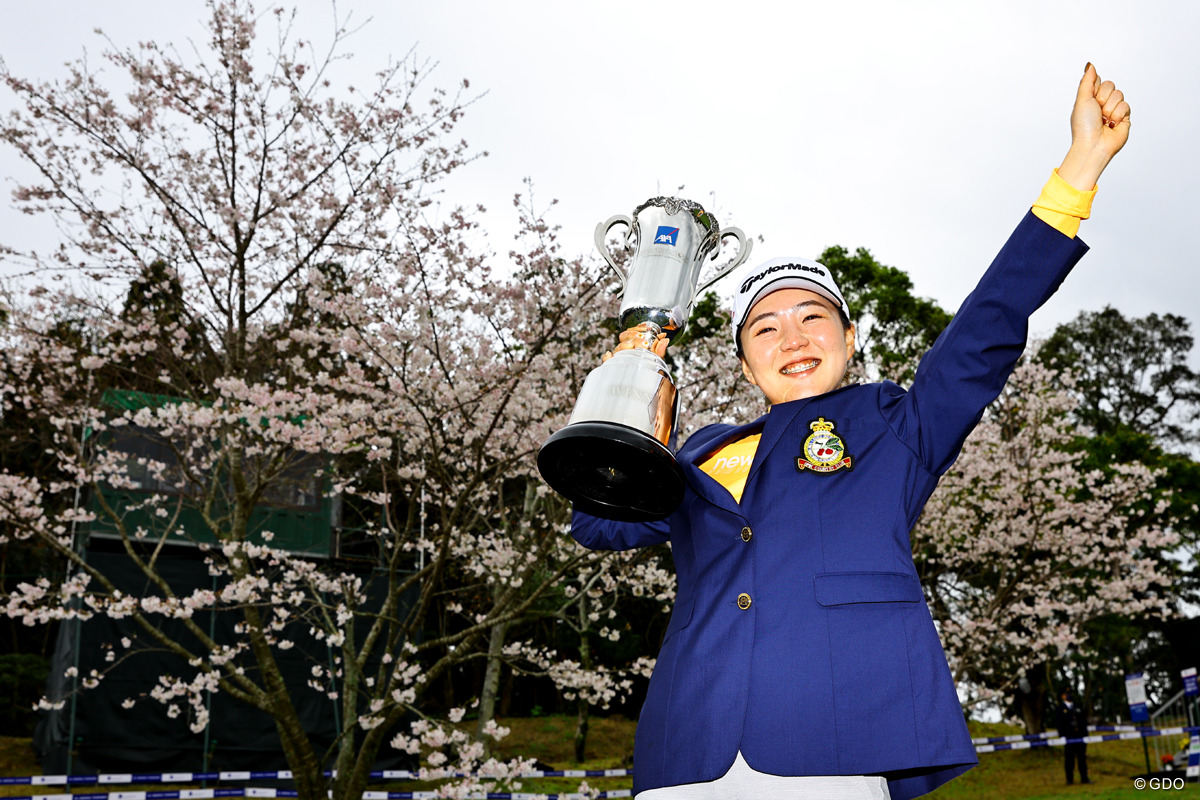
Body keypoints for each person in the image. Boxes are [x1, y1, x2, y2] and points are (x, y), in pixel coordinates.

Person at [570, 63, 1129, 800]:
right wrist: (631, 392)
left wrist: (1077, 170)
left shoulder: (894, 425)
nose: (792, 338)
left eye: (812, 318)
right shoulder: (700, 450)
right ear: (744, 363)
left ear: (850, 337)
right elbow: (596, 522)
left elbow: (985, 328)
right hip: (686, 750)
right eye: (765, 327)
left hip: (832, 742)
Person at [1056, 691, 1091, 784]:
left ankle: (1084, 778)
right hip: (1069, 737)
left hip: (1080, 736)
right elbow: (1059, 723)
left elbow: (1083, 721)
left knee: (1082, 759)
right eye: (1066, 694)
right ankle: (1069, 780)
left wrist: (1086, 735)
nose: (1068, 696)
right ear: (1063, 696)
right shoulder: (1060, 708)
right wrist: (1062, 736)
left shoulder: (1077, 706)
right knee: (1069, 760)